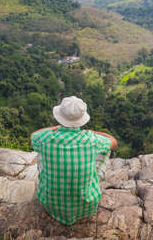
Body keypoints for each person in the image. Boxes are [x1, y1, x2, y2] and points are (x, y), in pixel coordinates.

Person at [30, 96, 117, 226]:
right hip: (87, 206)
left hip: (50, 204)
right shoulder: (91, 140)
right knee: (106, 151)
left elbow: (33, 136)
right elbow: (113, 141)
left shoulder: (46, 139)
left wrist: (54, 128)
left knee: (42, 154)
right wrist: (93, 132)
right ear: (81, 119)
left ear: (60, 116)